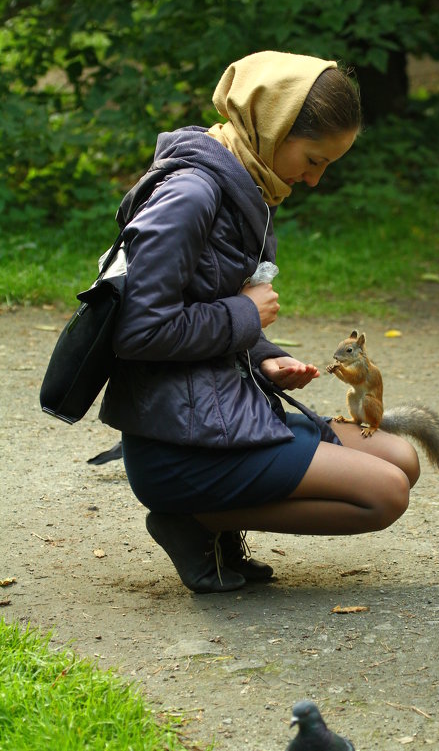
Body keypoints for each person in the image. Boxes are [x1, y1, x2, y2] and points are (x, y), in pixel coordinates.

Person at [99, 50, 420, 594]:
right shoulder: (190, 195)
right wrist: (245, 314)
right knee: (384, 493)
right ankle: (196, 521)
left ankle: (216, 526)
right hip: (178, 442)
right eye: (314, 159)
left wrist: (262, 352)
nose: (314, 180)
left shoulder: (246, 184)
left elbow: (201, 305)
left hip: (221, 414)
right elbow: (138, 332)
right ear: (272, 127)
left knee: (402, 457)